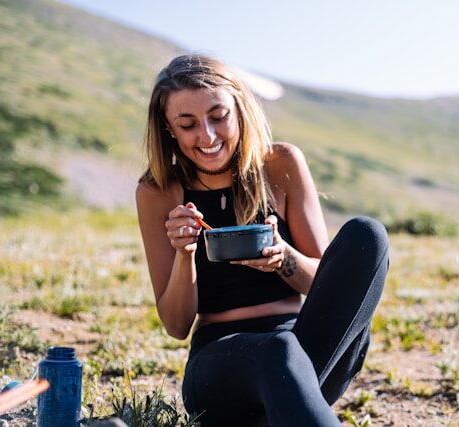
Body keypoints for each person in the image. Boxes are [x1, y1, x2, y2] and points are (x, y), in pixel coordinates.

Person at [136, 54, 389, 427]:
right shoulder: (158, 191)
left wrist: (283, 258)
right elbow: (176, 325)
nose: (206, 136)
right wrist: (184, 253)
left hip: (310, 347)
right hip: (219, 364)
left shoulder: (281, 164)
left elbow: (324, 285)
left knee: (367, 236)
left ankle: (282, 412)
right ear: (169, 129)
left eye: (218, 116)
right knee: (278, 351)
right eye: (187, 124)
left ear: (239, 110)